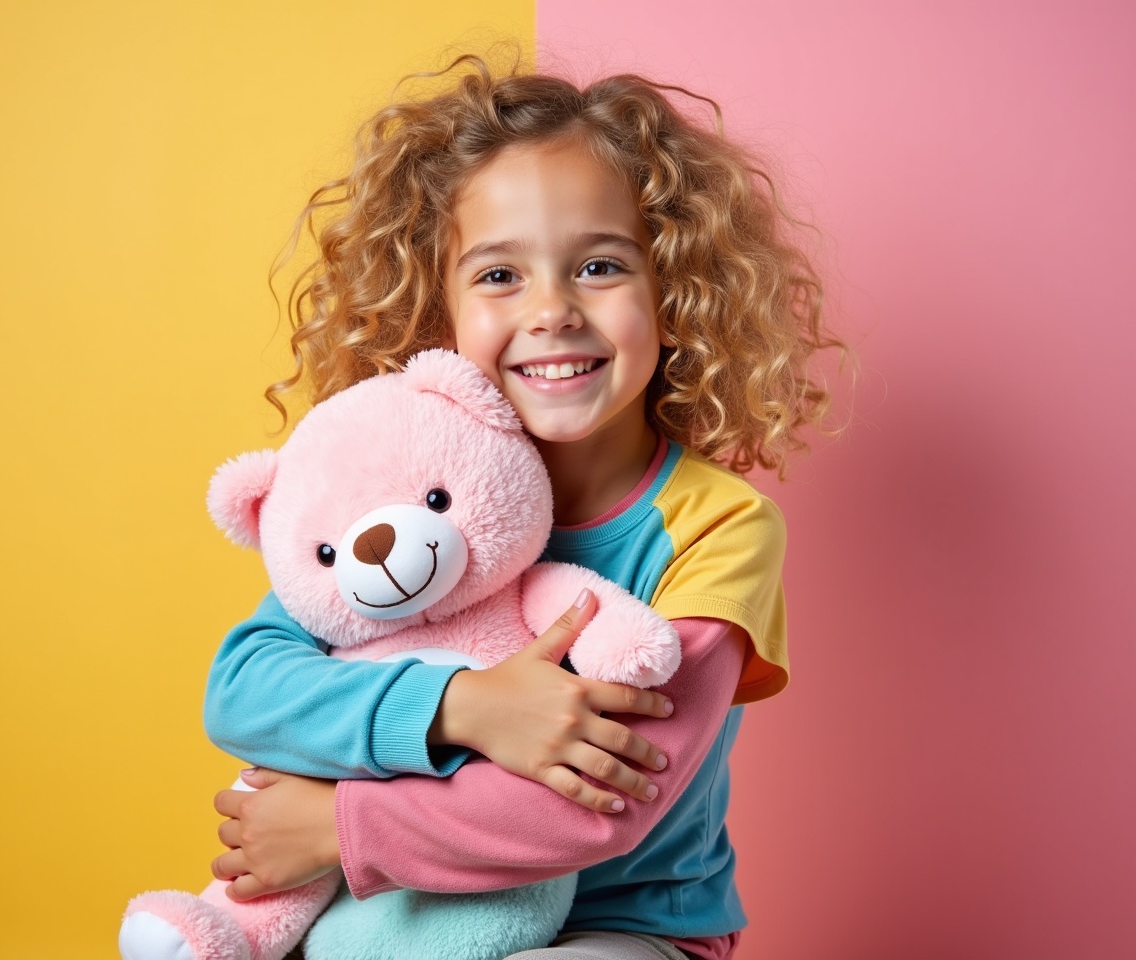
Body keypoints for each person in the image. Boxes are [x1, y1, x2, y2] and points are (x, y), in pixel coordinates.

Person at [205, 55, 838, 960]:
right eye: (500, 276)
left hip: (623, 931)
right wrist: (460, 705)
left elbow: (602, 810)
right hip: (399, 916)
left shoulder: (719, 528)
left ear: (674, 292)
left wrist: (338, 828)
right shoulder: (414, 480)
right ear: (440, 306)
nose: (552, 311)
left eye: (598, 265)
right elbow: (245, 689)